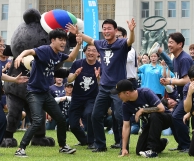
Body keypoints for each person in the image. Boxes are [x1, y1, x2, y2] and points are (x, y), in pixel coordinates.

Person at [66, 18, 136, 153]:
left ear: (115, 31)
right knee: (95, 115)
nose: (106, 31)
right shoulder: (101, 44)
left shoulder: (121, 44)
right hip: (103, 87)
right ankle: (100, 145)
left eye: (109, 28)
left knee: (120, 117)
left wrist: (132, 31)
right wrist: (78, 33)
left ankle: (123, 146)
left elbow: (130, 41)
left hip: (118, 88)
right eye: (104, 29)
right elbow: (90, 40)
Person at [13, 28, 82, 157]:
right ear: (52, 40)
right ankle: (20, 149)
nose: (63, 43)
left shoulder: (58, 55)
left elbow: (72, 57)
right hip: (34, 92)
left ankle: (63, 146)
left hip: (45, 93)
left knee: (61, 119)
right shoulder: (45, 50)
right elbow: (29, 51)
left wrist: (78, 43)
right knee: (38, 120)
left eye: (64, 40)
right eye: (60, 40)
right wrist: (20, 56)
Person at [112, 79, 172, 158]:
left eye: (119, 94)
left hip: (165, 118)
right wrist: (124, 148)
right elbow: (126, 126)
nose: (118, 96)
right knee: (140, 150)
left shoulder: (145, 92)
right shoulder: (125, 105)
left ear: (127, 93)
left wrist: (143, 110)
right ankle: (162, 142)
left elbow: (161, 108)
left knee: (154, 115)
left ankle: (152, 151)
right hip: (150, 124)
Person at [159, 32, 194, 153]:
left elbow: (187, 80)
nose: (169, 45)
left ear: (180, 44)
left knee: (177, 116)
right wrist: (168, 82)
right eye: (168, 42)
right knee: (173, 117)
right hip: (182, 95)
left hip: (189, 94)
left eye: (171, 42)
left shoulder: (184, 58)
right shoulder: (176, 59)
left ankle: (186, 145)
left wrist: (170, 81)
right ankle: (182, 144)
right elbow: (178, 78)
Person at [67, 44, 100, 149]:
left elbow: (101, 83)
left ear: (98, 53)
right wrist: (75, 74)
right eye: (88, 50)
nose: (91, 53)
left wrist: (98, 77)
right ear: (84, 52)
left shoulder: (100, 66)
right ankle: (84, 140)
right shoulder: (77, 63)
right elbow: (69, 80)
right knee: (72, 124)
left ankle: (91, 142)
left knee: (89, 114)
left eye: (94, 51)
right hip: (77, 97)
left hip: (92, 97)